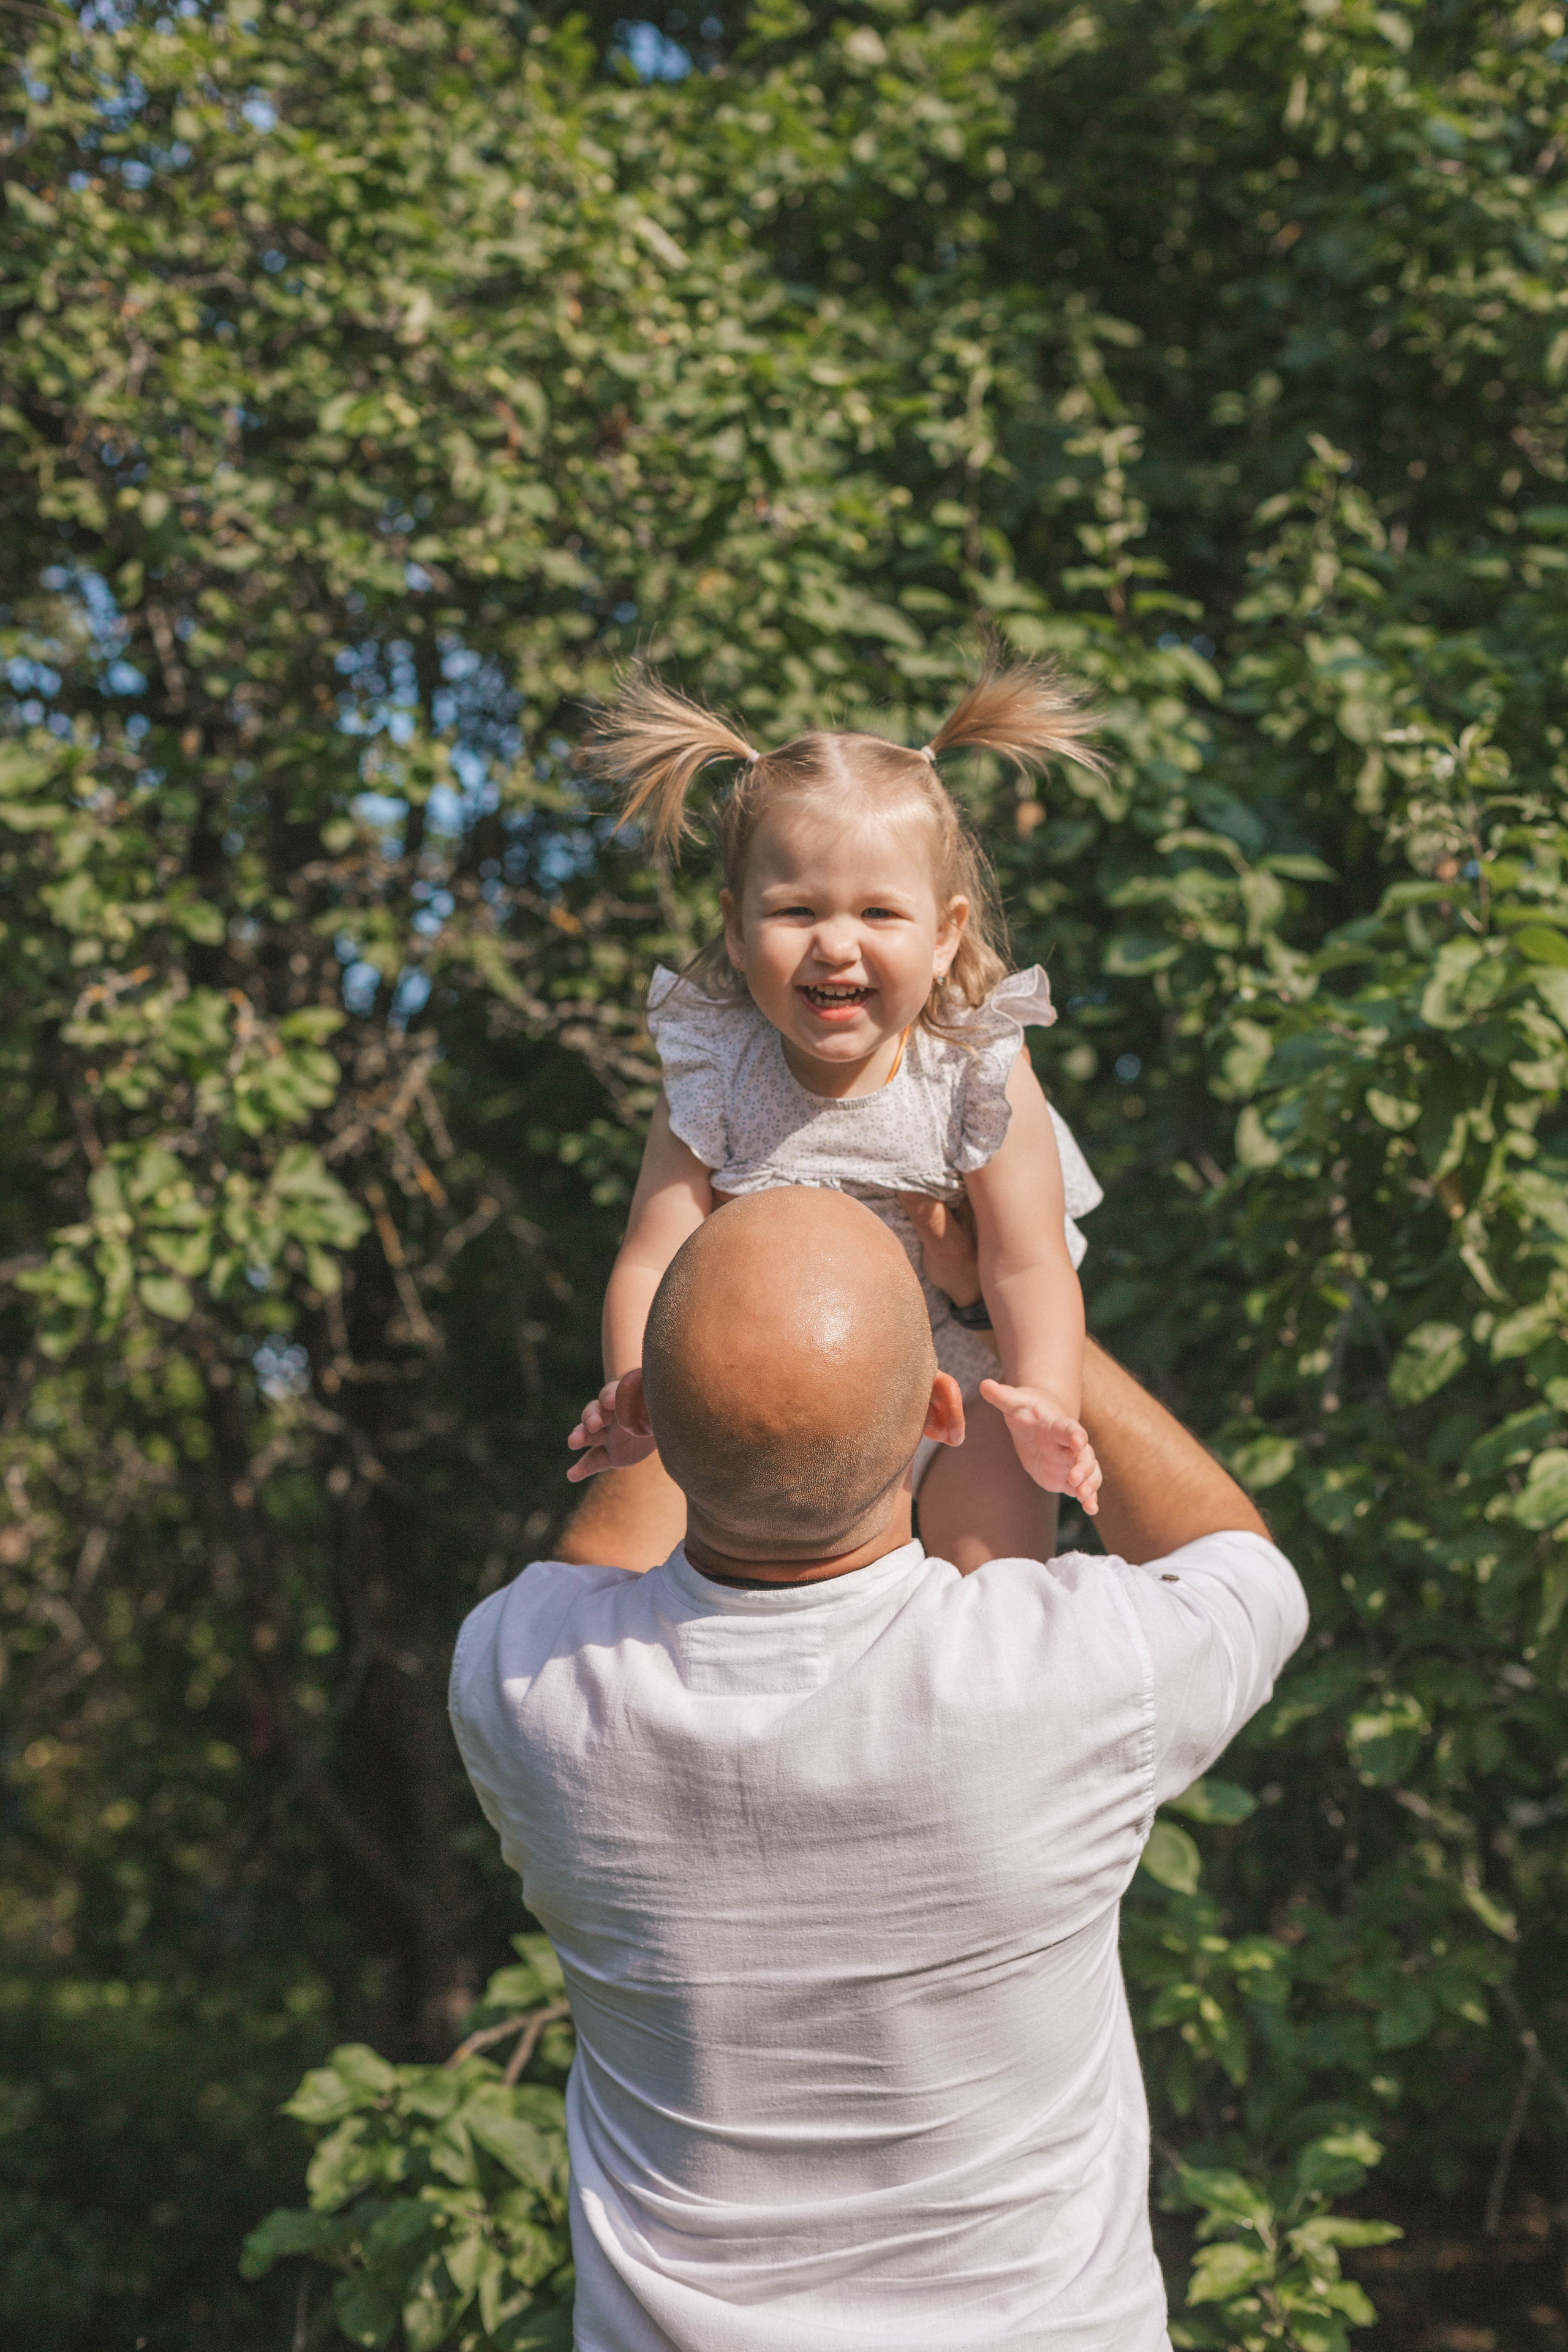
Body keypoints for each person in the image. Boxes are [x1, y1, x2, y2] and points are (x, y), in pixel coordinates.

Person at [450, 1187, 1308, 2352]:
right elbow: (1248, 1572)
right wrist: (1005, 1303)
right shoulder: (1067, 1673)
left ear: (644, 1411)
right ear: (943, 1413)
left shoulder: (522, 1682)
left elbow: (606, 1558)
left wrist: (698, 1364)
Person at [568, 658, 1106, 1578]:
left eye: (879, 912)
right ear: (738, 931)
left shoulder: (977, 1069)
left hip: (969, 1382)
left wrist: (1046, 1395)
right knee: (674, 1594)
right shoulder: (716, 1071)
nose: (836, 942)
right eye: (796, 910)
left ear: (944, 936)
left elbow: (1025, 1259)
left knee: (998, 1589)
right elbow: (654, 1253)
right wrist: (635, 1387)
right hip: (778, 1413)